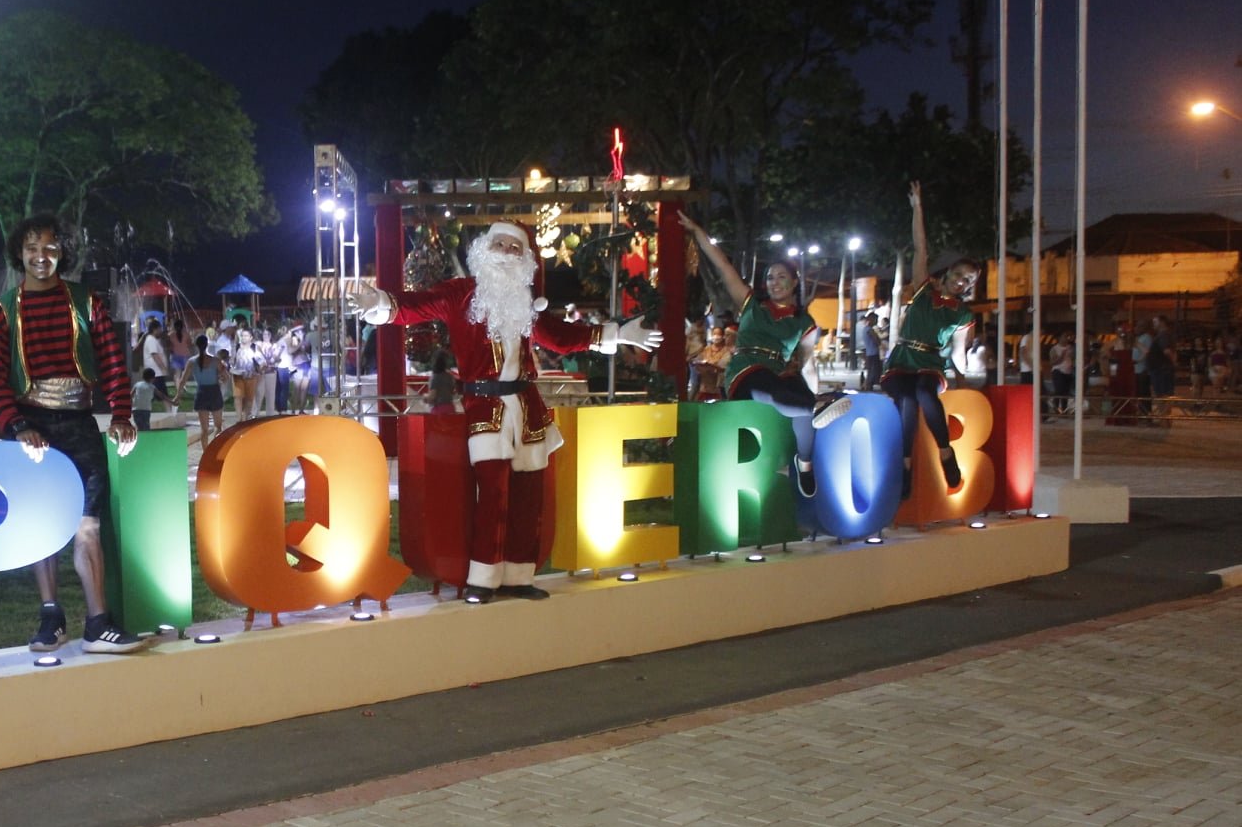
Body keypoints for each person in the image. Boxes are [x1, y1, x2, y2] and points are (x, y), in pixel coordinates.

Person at [352, 222, 661, 603]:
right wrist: (380, 304)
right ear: (484, 250)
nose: (507, 252)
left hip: (527, 409)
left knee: (528, 500)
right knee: (492, 496)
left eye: (515, 248)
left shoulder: (523, 302)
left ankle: (519, 575)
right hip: (486, 409)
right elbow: (415, 306)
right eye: (500, 244)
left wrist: (617, 334)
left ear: (525, 259)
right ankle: (483, 579)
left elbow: (559, 337)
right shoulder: (460, 294)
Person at [0, 212, 147, 655]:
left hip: (78, 425)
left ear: (62, 253)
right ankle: (51, 618)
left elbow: (113, 362)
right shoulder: (2, 311)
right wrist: (17, 426)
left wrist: (122, 414)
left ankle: (98, 623)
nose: (41, 256)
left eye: (50, 247)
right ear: (20, 254)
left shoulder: (85, 303)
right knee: (41, 527)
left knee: (87, 524)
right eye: (32, 248)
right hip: (30, 428)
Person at [680, 211, 851, 496]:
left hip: (779, 371)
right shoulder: (751, 305)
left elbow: (806, 364)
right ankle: (816, 406)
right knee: (772, 388)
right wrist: (698, 232)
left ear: (794, 282)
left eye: (781, 277)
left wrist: (811, 389)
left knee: (799, 395)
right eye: (770, 277)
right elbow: (723, 266)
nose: (774, 282)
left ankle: (805, 464)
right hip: (747, 372)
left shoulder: (804, 323)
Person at [882, 181, 977, 497]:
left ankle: (945, 451)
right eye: (958, 274)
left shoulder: (963, 314)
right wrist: (917, 208)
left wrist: (963, 383)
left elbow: (959, 352)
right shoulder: (924, 290)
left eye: (968, 280)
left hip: (931, 364)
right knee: (907, 398)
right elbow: (920, 249)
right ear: (947, 273)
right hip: (902, 360)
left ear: (970, 286)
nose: (961, 281)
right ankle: (905, 464)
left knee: (924, 390)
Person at [177, 333, 229, 449]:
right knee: (218, 426)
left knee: (204, 429)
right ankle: (214, 449)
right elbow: (226, 377)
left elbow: (182, 381)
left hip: (201, 393)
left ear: (196, 346)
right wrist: (220, 379)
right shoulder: (215, 361)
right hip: (214, 392)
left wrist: (177, 396)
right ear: (207, 345)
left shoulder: (192, 362)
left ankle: (205, 452)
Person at [130, 366, 157, 431]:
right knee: (146, 425)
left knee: (139, 425)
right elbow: (162, 396)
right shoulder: (152, 387)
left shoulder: (137, 384)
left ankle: (140, 434)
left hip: (136, 409)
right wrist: (172, 402)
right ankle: (146, 435)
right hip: (146, 410)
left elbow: (130, 395)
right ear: (153, 378)